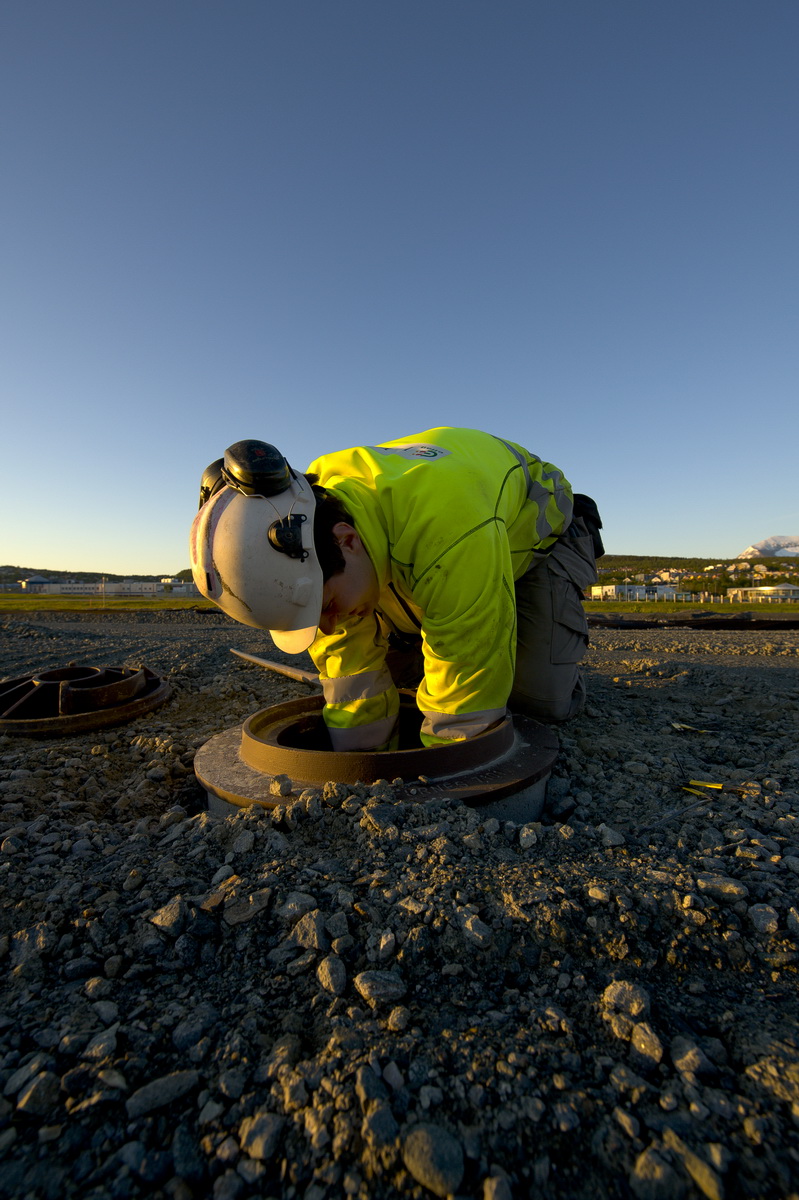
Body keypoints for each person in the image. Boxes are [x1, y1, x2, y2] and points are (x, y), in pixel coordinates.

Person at [190, 427, 602, 751]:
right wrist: (361, 764)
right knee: (404, 677)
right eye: (312, 617)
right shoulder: (306, 530)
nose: (329, 627)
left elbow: (463, 712)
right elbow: (350, 676)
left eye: (327, 606)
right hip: (408, 551)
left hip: (534, 534)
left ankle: (542, 648)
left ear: (346, 539)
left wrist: (441, 776)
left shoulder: (446, 525)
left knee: (537, 702)